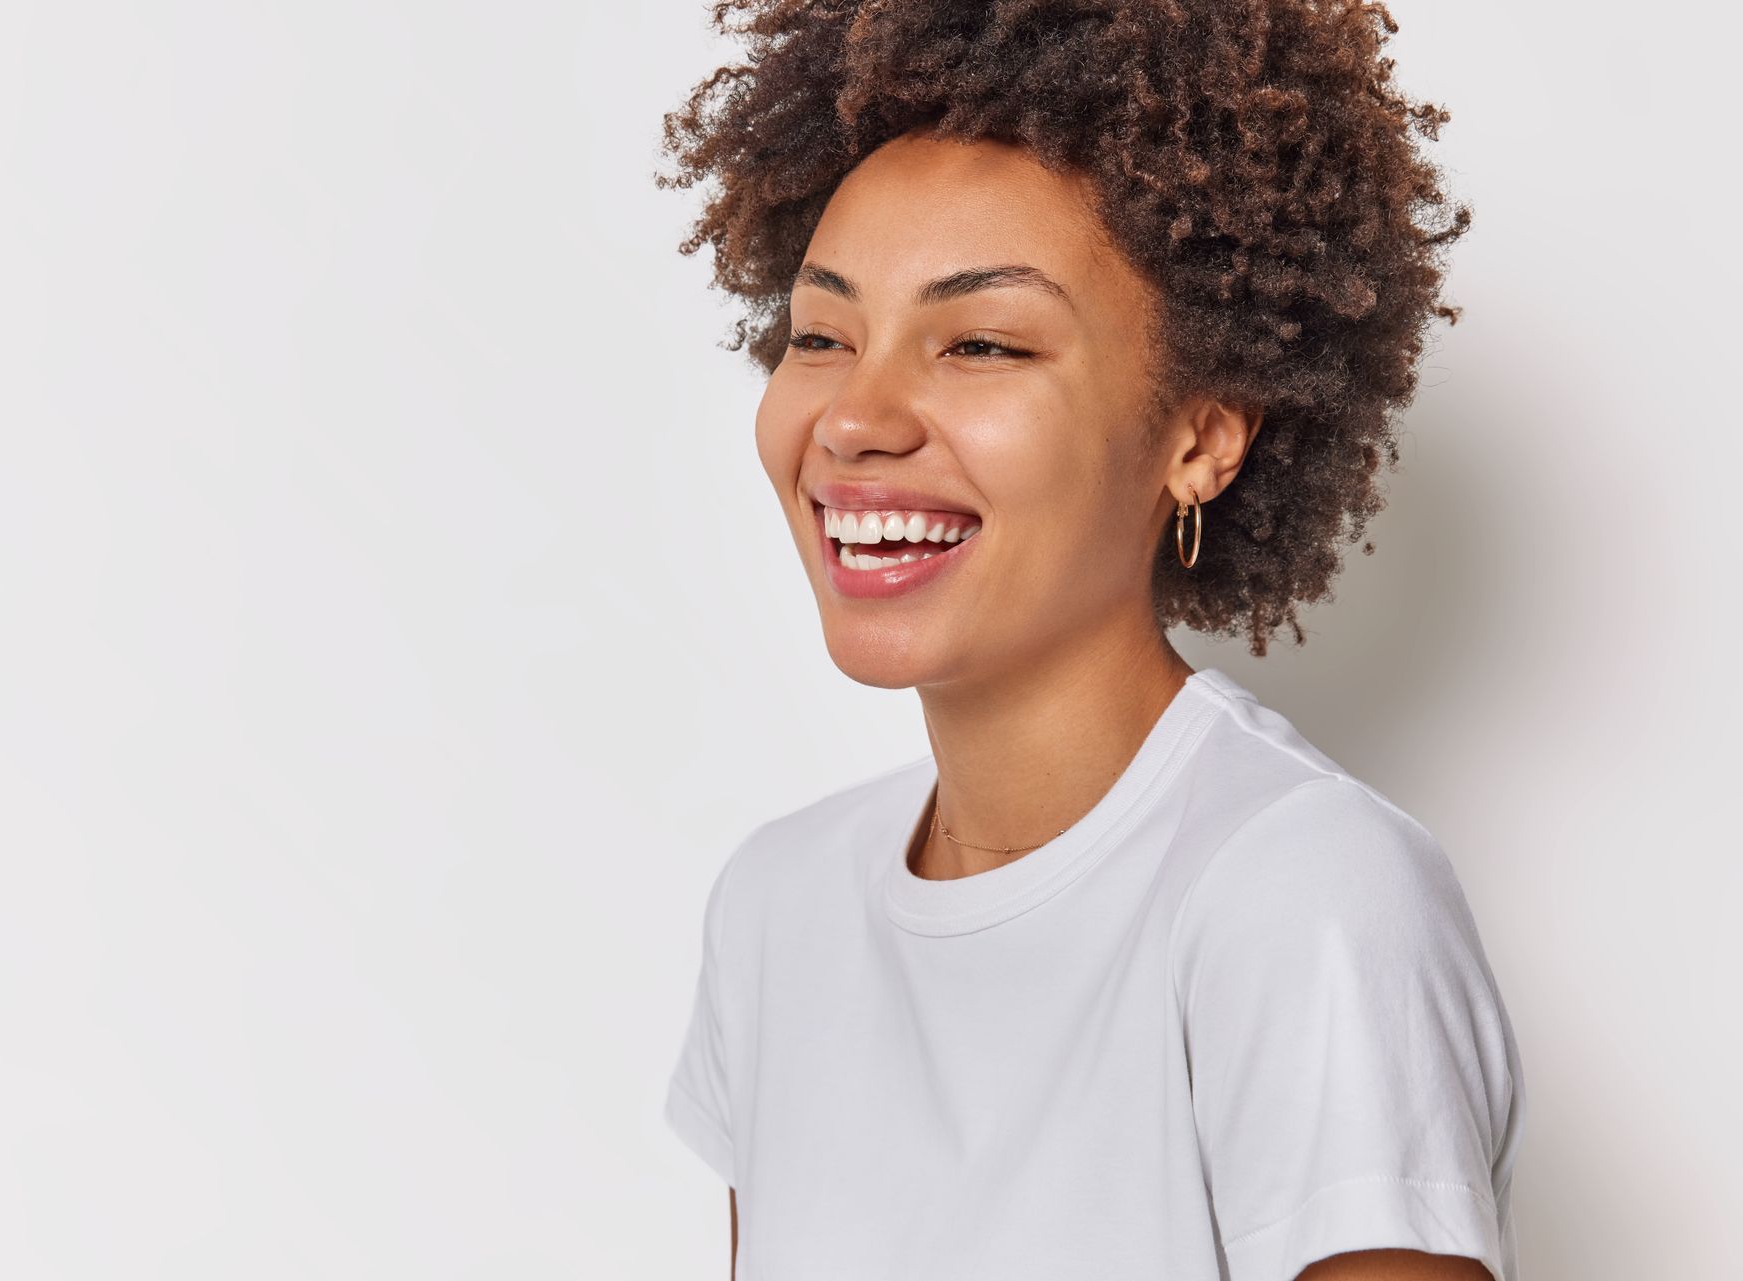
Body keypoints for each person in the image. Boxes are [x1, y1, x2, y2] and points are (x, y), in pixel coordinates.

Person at [653, 2, 1526, 1278]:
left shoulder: (1298, 895)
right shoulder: (779, 909)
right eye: (823, 337)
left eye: (983, 343)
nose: (854, 419)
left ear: (1200, 438)